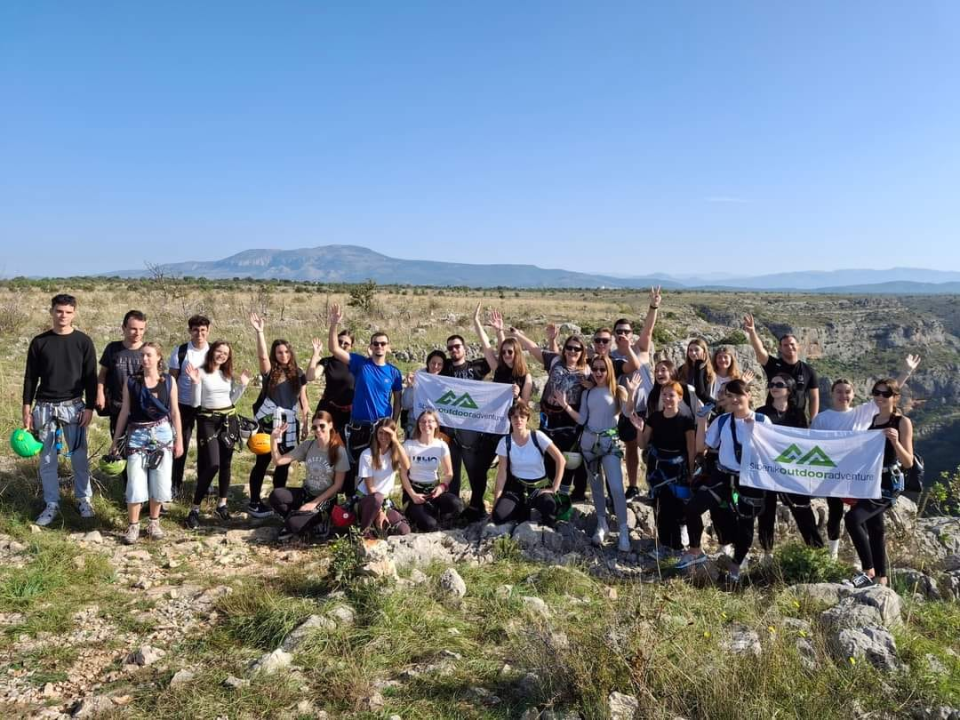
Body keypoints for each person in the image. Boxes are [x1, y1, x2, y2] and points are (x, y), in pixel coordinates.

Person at [812, 354, 920, 559]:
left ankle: (859, 560)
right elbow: (812, 444)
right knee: (835, 512)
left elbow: (888, 393)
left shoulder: (862, 413)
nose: (843, 395)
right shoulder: (822, 419)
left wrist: (906, 371)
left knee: (861, 516)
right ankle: (833, 555)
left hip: (860, 473)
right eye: (839, 391)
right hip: (833, 472)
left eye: (847, 392)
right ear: (832, 393)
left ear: (853, 395)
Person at [678, 379, 772, 582]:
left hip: (750, 478)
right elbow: (703, 446)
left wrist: (755, 432)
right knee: (693, 508)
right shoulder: (722, 421)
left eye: (738, 394)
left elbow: (773, 452)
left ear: (749, 395)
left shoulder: (763, 421)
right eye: (729, 395)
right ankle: (695, 551)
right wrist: (702, 422)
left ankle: (735, 567)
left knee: (746, 524)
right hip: (723, 474)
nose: (734, 399)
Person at [22, 294, 98, 527]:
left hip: (73, 406)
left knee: (79, 457)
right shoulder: (39, 342)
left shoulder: (83, 341)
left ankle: (83, 499)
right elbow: (30, 378)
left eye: (67, 311)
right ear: (52, 312)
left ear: (74, 313)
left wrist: (90, 407)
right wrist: (27, 409)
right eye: (58, 311)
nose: (63, 316)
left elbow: (90, 378)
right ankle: (51, 503)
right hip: (44, 407)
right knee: (47, 459)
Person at [554, 355, 632, 552]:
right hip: (589, 445)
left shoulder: (618, 391)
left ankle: (623, 532)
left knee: (615, 487)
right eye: (595, 369)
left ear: (609, 371)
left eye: (602, 369)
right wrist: (564, 405)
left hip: (609, 444)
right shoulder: (588, 394)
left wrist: (632, 393)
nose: (598, 373)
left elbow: (629, 413)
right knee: (596, 488)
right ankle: (601, 524)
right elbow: (582, 419)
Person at [108, 342, 184, 544]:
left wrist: (180, 441)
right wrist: (115, 441)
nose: (144, 359)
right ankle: (133, 526)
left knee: (160, 480)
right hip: (138, 433)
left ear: (159, 357)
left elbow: (175, 411)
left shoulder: (169, 381)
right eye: (142, 355)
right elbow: (125, 411)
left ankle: (154, 522)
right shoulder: (131, 382)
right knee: (135, 481)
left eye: (149, 355)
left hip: (162, 432)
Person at [327, 304, 402, 497]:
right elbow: (334, 349)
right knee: (356, 466)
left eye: (383, 343)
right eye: (376, 343)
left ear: (388, 347)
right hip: (359, 426)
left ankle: (377, 501)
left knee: (379, 464)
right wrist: (334, 324)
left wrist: (393, 423)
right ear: (371, 346)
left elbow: (398, 401)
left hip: (381, 428)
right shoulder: (360, 364)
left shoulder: (394, 372)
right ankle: (353, 504)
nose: (379, 346)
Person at [845, 379, 914, 588]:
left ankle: (868, 571)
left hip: (888, 483)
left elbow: (908, 461)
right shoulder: (874, 419)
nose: (880, 397)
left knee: (853, 519)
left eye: (885, 394)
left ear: (895, 397)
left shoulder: (902, 422)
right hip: (870, 480)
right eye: (877, 393)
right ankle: (881, 579)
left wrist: (895, 441)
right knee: (875, 528)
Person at [511, 325, 590, 500]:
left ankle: (570, 493)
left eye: (577, 349)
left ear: (582, 352)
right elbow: (534, 349)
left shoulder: (587, 370)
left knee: (569, 456)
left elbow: (602, 382)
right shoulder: (555, 361)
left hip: (569, 417)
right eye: (569, 347)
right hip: (549, 415)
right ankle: (546, 491)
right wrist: (518, 334)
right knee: (547, 453)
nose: (572, 351)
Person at [246, 313, 310, 518]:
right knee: (263, 461)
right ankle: (254, 501)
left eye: (285, 351)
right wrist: (260, 332)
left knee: (283, 462)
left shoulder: (297, 373)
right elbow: (262, 357)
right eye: (279, 352)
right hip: (268, 423)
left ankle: (277, 500)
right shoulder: (270, 371)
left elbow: (303, 399)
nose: (283, 355)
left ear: (290, 353)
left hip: (290, 424)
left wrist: (306, 421)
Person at [182, 341, 251, 528]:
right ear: (212, 352)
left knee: (226, 464)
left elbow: (231, 401)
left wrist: (242, 386)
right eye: (219, 351)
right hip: (207, 420)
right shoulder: (201, 372)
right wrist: (195, 383)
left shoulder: (226, 374)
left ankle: (222, 504)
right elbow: (196, 403)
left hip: (228, 419)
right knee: (213, 464)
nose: (222, 355)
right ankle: (194, 509)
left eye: (226, 353)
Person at [756, 373, 824, 554]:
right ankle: (767, 553)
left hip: (791, 469)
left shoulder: (797, 414)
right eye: (772, 383)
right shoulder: (760, 413)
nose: (774, 386)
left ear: (789, 389)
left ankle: (816, 551)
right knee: (766, 511)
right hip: (767, 469)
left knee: (802, 509)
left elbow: (804, 441)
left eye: (780, 384)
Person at [267, 411, 349, 542]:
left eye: (322, 426)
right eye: (314, 427)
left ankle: (318, 519)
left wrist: (313, 504)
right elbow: (279, 461)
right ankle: (301, 519)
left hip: (325, 500)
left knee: (293, 525)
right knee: (276, 496)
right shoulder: (309, 445)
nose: (318, 430)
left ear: (330, 425)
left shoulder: (339, 451)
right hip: (306, 493)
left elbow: (337, 486)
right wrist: (273, 439)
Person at [440, 325, 494, 520]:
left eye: (457, 346)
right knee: (451, 470)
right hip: (449, 430)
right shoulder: (444, 369)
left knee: (474, 470)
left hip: (471, 430)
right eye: (450, 348)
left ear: (465, 348)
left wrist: (479, 325)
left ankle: (477, 506)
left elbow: (493, 357)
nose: (454, 350)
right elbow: (430, 371)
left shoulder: (476, 367)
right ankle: (452, 508)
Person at [610, 288, 660, 498]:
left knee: (646, 449)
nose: (623, 334)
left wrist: (653, 306)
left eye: (627, 331)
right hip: (623, 409)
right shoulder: (611, 356)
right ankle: (625, 487)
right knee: (624, 449)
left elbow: (648, 330)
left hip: (644, 408)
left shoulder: (641, 350)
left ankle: (647, 487)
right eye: (619, 331)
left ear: (632, 334)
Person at [637, 382, 696, 557]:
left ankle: (676, 546)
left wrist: (692, 472)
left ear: (679, 397)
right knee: (658, 505)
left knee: (675, 506)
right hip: (657, 468)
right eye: (665, 394)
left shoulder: (686, 420)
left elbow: (691, 449)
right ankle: (663, 545)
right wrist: (639, 429)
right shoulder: (654, 418)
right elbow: (642, 444)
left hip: (677, 469)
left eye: (671, 395)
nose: (667, 398)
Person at [491, 402, 566, 526]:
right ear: (510, 419)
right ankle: (522, 508)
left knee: (550, 509)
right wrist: (496, 501)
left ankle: (528, 511)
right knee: (498, 516)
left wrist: (554, 488)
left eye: (522, 416)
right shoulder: (505, 442)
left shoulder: (537, 436)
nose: (518, 420)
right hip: (516, 487)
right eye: (514, 416)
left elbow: (561, 460)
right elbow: (501, 473)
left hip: (538, 487)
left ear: (527, 419)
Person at [96, 310, 147, 486]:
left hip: (142, 412)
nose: (137, 333)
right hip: (118, 409)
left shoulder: (148, 350)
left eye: (141, 329)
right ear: (123, 327)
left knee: (143, 452)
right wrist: (100, 393)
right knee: (121, 450)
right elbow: (102, 375)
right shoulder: (113, 349)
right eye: (133, 328)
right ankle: (130, 492)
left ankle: (147, 495)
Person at [743, 314, 819, 420]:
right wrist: (752, 332)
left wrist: (813, 420)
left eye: (792, 344)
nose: (789, 347)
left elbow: (814, 397)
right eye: (785, 345)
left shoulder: (808, 370)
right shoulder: (773, 364)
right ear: (780, 348)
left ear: (798, 347)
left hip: (797, 419)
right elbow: (760, 350)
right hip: (772, 417)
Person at [169, 314, 211, 498]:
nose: (199, 334)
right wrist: (171, 406)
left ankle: (203, 484)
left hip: (206, 405)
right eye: (195, 330)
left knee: (206, 447)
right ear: (190, 331)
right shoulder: (181, 351)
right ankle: (174, 484)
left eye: (203, 330)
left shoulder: (214, 351)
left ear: (208, 331)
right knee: (180, 445)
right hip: (183, 405)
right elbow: (172, 379)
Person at [400, 410, 463, 532]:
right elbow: (402, 473)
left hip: (434, 491)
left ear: (436, 425)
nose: (426, 425)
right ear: (418, 424)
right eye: (422, 422)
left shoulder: (441, 445)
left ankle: (434, 511)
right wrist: (413, 495)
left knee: (457, 504)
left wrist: (441, 488)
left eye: (430, 421)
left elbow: (449, 473)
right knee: (430, 526)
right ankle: (416, 513)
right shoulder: (409, 445)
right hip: (415, 491)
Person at [355, 419, 411, 538]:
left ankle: (378, 529)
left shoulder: (394, 454)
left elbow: (407, 466)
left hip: (385, 502)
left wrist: (395, 441)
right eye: (380, 433)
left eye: (388, 434)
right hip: (367, 500)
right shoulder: (367, 454)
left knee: (404, 530)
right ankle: (364, 532)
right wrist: (379, 512)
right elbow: (370, 489)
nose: (383, 436)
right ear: (376, 434)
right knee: (377, 498)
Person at [475, 304, 532, 403]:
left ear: (517, 353)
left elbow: (525, 405)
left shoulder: (525, 376)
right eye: (503, 352)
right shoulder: (498, 369)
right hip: (496, 416)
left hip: (514, 417)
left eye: (510, 352)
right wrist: (476, 321)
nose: (506, 355)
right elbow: (486, 345)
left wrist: (516, 397)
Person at [307, 330, 355, 438]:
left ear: (351, 346)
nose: (342, 345)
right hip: (328, 409)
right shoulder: (327, 362)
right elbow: (310, 376)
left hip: (349, 413)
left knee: (344, 447)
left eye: (346, 343)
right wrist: (315, 355)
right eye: (339, 341)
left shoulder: (355, 363)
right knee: (323, 444)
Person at [401, 350, 446, 437]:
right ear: (428, 363)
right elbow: (406, 404)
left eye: (439, 364)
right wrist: (410, 386)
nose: (436, 366)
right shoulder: (418, 377)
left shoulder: (445, 382)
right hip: (415, 425)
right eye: (433, 363)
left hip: (434, 428)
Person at [678, 338, 716, 406]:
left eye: (696, 350)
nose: (693, 353)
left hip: (701, 407)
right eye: (690, 350)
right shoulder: (682, 369)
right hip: (683, 406)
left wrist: (699, 365)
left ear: (704, 352)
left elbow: (702, 392)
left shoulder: (708, 371)